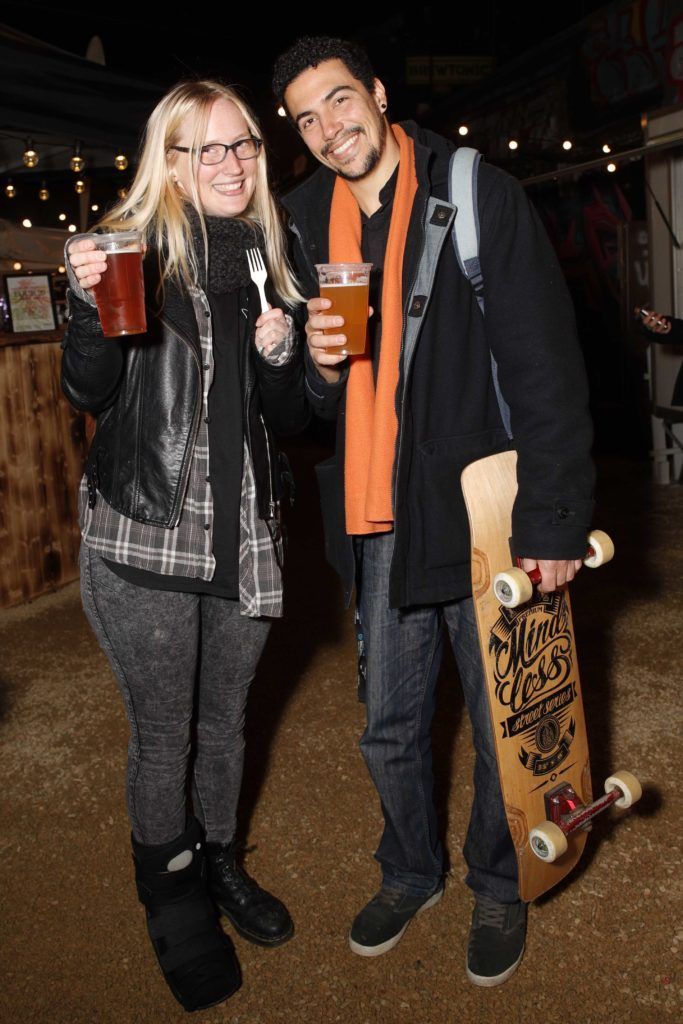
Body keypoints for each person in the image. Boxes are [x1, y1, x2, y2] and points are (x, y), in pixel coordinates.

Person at [272, 37, 595, 986]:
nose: (330, 129)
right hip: (377, 514)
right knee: (390, 721)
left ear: (375, 93)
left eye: (339, 101)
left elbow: (544, 364)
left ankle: (497, 880)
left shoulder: (470, 191)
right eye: (306, 118)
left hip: (480, 508)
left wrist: (553, 522)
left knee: (504, 720)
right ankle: (410, 869)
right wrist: (319, 369)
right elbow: (297, 409)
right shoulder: (298, 224)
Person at [61, 79, 308, 1012]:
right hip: (148, 537)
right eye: (203, 149)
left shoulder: (270, 266)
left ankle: (219, 863)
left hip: (245, 543)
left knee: (227, 725)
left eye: (241, 143)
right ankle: (172, 902)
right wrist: (85, 308)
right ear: (167, 160)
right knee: (165, 735)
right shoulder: (133, 256)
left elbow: (289, 421)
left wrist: (287, 359)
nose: (229, 164)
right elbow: (87, 392)